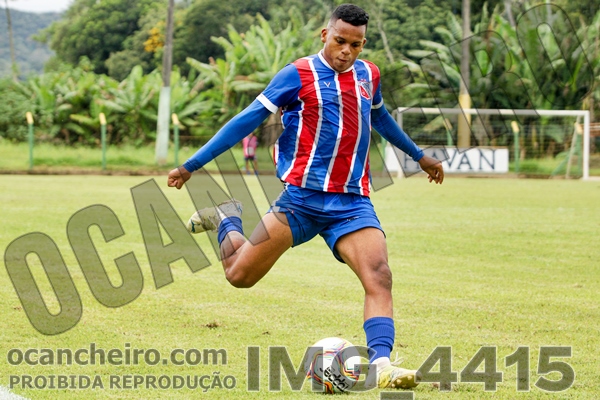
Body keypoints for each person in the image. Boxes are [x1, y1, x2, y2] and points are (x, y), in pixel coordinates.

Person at [168, 3, 444, 390]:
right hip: (299, 201)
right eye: (340, 41)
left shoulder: (369, 75)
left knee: (379, 275)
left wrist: (418, 155)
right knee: (239, 276)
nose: (347, 51)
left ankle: (381, 364)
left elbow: (379, 117)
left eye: (356, 45)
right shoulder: (297, 74)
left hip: (351, 202)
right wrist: (191, 165)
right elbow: (246, 120)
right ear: (325, 35)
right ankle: (227, 217)